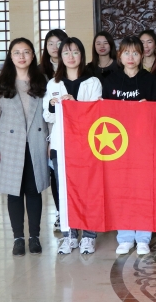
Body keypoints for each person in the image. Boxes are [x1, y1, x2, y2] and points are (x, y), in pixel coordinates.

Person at [0, 38, 49, 256]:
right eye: (17, 52)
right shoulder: (2, 82)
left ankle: (34, 237)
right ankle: (18, 238)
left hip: (36, 144)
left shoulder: (42, 81)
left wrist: (51, 142)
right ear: (11, 56)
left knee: (34, 191)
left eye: (26, 52)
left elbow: (48, 115)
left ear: (33, 55)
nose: (21, 56)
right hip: (10, 146)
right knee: (14, 192)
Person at [43, 38, 103, 254]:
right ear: (60, 57)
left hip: (86, 145)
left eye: (75, 52)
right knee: (65, 190)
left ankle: (89, 235)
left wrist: (74, 106)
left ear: (82, 56)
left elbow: (95, 113)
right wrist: (53, 105)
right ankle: (69, 235)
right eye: (66, 53)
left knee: (87, 189)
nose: (71, 57)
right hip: (61, 144)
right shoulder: (53, 84)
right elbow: (48, 116)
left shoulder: (93, 82)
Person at [101, 36, 156, 255]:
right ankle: (125, 237)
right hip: (118, 146)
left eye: (135, 52)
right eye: (127, 52)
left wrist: (149, 108)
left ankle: (143, 237)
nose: (131, 57)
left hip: (144, 144)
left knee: (144, 190)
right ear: (120, 55)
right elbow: (101, 112)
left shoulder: (150, 81)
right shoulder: (110, 81)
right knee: (122, 190)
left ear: (142, 56)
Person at [38, 28, 68, 233]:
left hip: (67, 130)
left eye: (59, 43)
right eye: (50, 43)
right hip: (47, 129)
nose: (55, 47)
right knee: (54, 174)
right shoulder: (40, 72)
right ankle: (60, 213)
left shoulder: (73, 69)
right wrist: (49, 139)